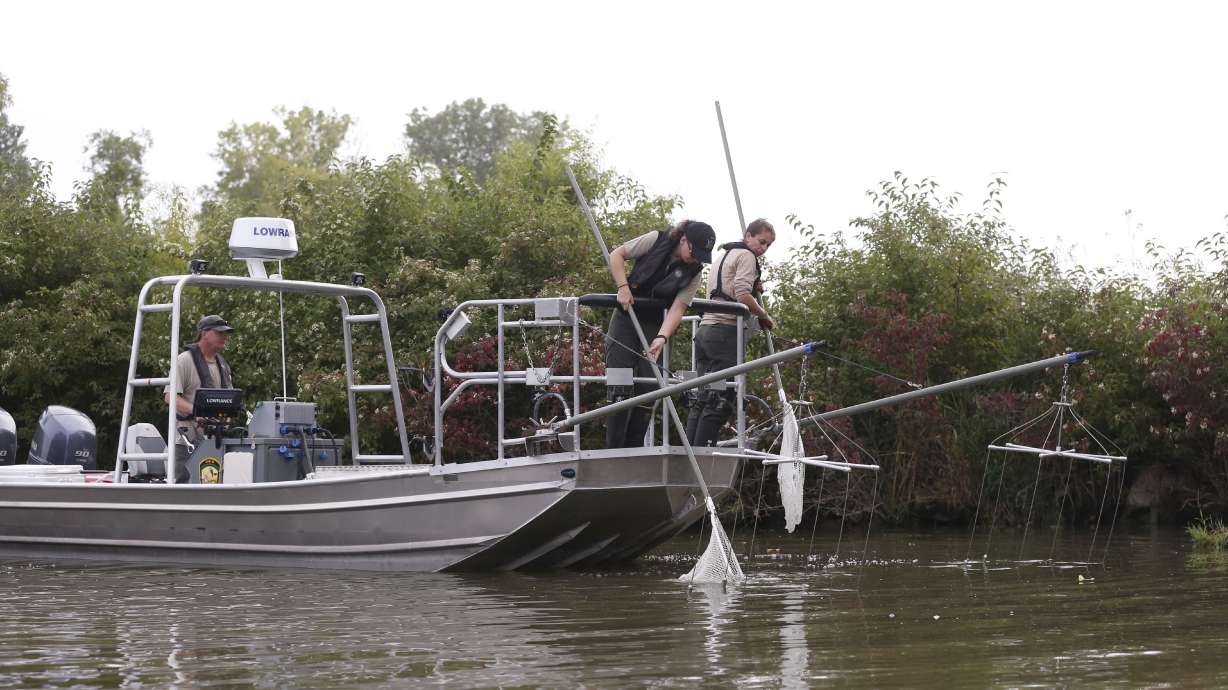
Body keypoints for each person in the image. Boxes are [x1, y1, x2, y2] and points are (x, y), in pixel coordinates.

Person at [605, 219, 717, 448]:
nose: (696, 260)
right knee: (619, 382)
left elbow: (678, 308)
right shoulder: (655, 239)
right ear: (683, 239)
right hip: (626, 317)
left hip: (656, 323)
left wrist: (662, 337)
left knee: (649, 388)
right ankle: (612, 450)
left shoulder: (694, 271)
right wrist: (623, 287)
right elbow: (616, 255)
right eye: (694, 252)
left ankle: (633, 450)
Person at [685, 218, 776, 447]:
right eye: (761, 242)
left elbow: (731, 285)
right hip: (724, 334)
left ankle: (691, 456)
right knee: (718, 400)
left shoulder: (724, 255)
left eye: (768, 245)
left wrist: (755, 284)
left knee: (703, 397)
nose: (763, 248)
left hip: (705, 331)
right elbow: (742, 294)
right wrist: (763, 315)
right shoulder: (747, 256)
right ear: (748, 236)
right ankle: (703, 460)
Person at [164, 315, 236, 480]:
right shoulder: (184, 361)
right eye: (219, 333)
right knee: (181, 493)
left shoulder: (223, 365)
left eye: (226, 333)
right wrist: (198, 411)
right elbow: (170, 397)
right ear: (204, 333)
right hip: (186, 443)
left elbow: (229, 401)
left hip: (215, 443)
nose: (224, 337)